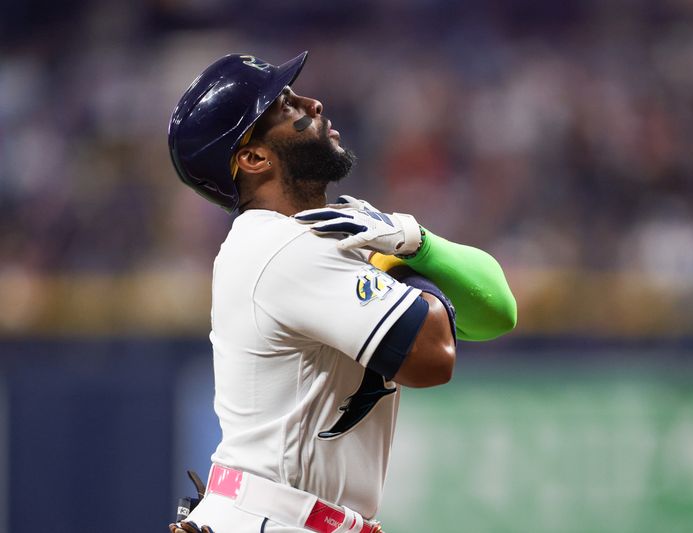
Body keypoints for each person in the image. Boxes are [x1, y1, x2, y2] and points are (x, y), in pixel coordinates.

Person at [167, 51, 517, 533]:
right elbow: (434, 355)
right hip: (275, 518)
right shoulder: (278, 246)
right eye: (284, 106)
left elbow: (498, 312)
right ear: (252, 158)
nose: (311, 104)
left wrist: (417, 242)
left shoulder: (318, 241)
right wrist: (397, 265)